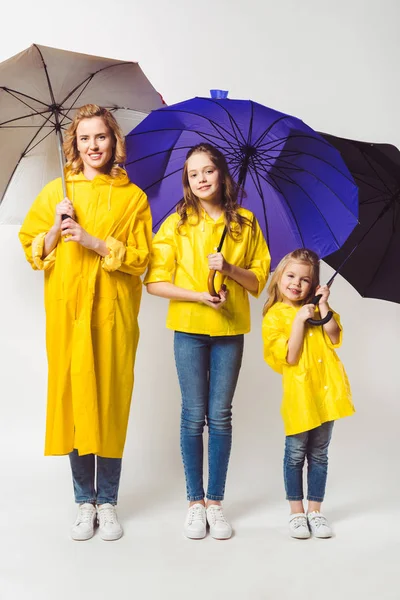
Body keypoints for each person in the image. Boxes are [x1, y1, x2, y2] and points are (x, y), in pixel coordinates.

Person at [19, 104, 152, 541]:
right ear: (73, 144)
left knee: (111, 402)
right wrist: (56, 229)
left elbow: (141, 260)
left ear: (114, 141)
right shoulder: (57, 192)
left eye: (101, 137)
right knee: (76, 402)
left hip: (112, 315)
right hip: (68, 314)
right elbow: (32, 250)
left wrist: (94, 242)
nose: (93, 146)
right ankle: (83, 501)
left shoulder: (134, 198)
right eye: (85, 139)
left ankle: (108, 501)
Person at [145, 143, 270, 539]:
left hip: (231, 331)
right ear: (187, 179)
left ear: (222, 175)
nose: (201, 179)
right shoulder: (176, 224)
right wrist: (199, 296)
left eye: (208, 171)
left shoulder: (246, 224)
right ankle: (194, 502)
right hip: (189, 328)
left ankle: (215, 502)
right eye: (193, 173)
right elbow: (155, 283)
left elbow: (258, 281)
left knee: (220, 416)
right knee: (191, 414)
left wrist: (230, 268)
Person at [262, 248, 355, 539]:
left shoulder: (317, 308)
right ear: (279, 277)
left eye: (305, 279)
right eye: (290, 276)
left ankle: (316, 510)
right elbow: (289, 357)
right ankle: (297, 513)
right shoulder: (275, 317)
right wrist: (299, 321)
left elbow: (335, 335)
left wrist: (324, 305)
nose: (296, 284)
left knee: (320, 454)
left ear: (313, 284)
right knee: (295, 455)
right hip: (300, 399)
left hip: (327, 394)